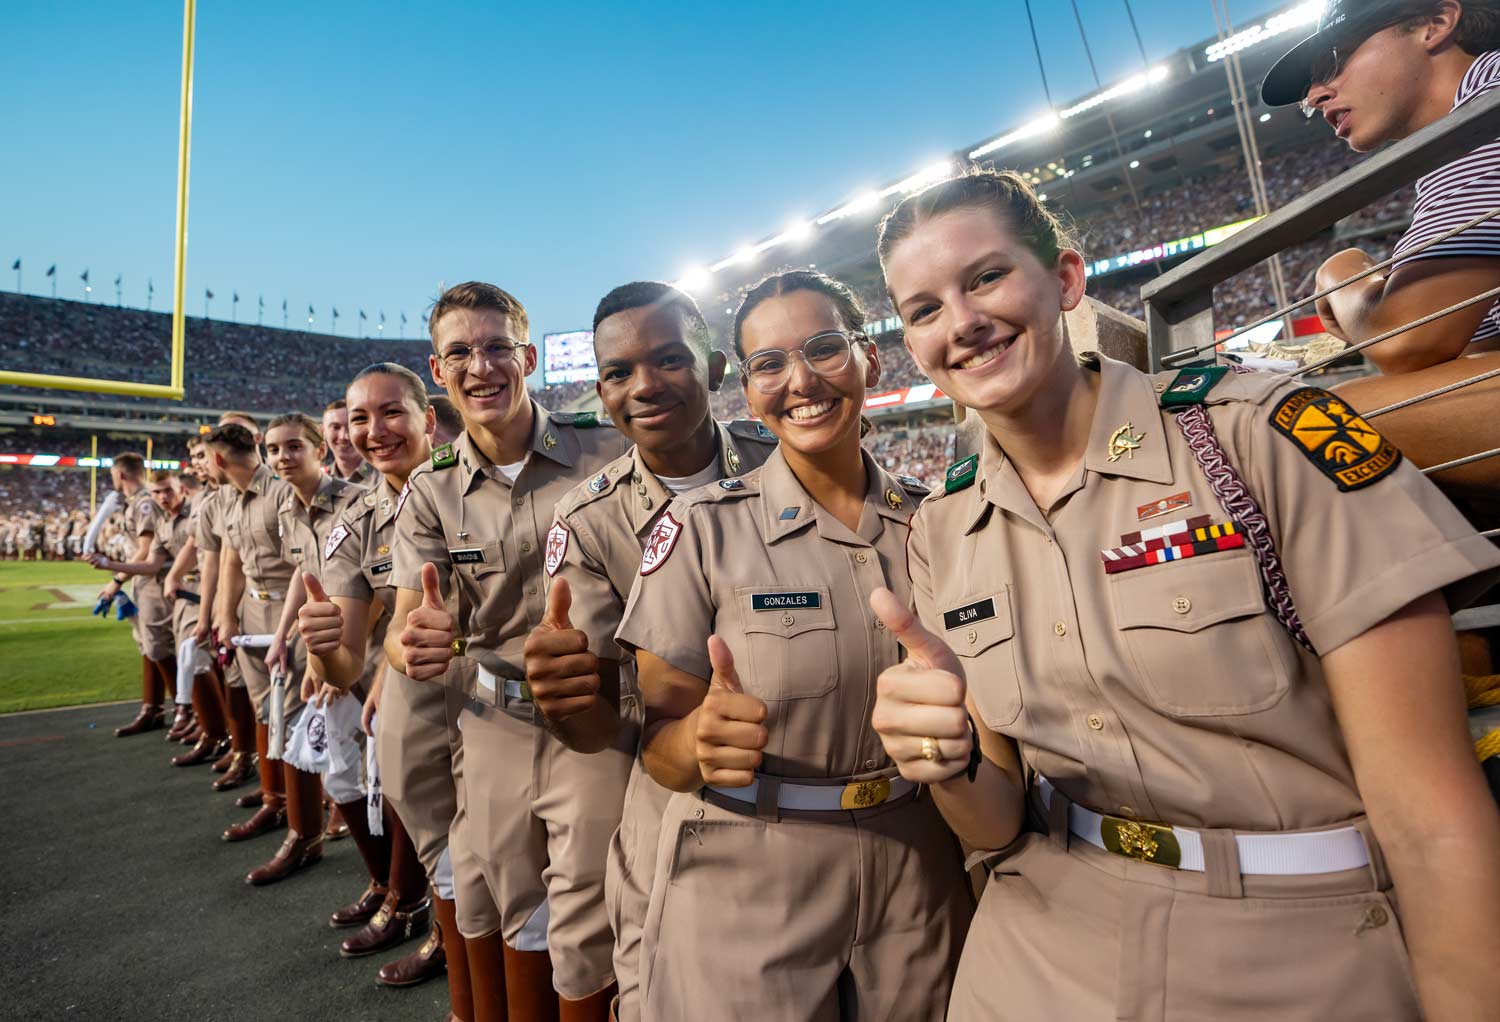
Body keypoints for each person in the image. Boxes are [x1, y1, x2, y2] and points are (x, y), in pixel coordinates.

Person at [870, 167, 1500, 1019]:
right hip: (1042, 948)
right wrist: (945, 762)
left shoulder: (1256, 435)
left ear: (1063, 279)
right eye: (925, 309)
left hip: (1303, 947)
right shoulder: (940, 527)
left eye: (985, 276)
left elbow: (1433, 817)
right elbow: (994, 822)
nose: (964, 322)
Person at [615, 270, 972, 1020]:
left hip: (920, 862)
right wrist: (699, 741)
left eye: (823, 348)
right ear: (747, 391)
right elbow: (657, 743)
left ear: (870, 358)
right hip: (749, 868)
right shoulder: (700, 530)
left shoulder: (939, 523)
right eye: (770, 364)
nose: (800, 380)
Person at [522, 280, 777, 1022]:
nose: (645, 386)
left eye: (669, 359)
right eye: (618, 372)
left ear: (718, 369)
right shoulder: (588, 519)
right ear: (600, 391)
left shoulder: (784, 461)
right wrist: (565, 701)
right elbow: (597, 727)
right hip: (680, 785)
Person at [387, 281, 630, 1021]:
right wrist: (412, 643)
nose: (480, 366)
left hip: (600, 716)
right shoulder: (429, 492)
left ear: (527, 356)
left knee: (594, 901)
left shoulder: (607, 449)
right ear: (438, 371)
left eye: (496, 347)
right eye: (460, 351)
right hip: (493, 720)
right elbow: (404, 625)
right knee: (516, 903)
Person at [1263, 0, 1500, 499]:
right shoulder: (1461, 126)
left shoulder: (1489, 100)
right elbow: (1465, 354)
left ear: (1435, 25)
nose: (1314, 95)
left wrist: (1341, 272)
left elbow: (1408, 340)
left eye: (1334, 60)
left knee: (1314, 424)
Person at [300, 363, 481, 1014]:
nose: (374, 432)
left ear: (428, 418)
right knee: (455, 870)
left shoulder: (485, 484)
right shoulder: (354, 523)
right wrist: (323, 650)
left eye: (391, 413)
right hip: (428, 713)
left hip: (512, 708)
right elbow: (346, 664)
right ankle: (443, 947)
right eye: (359, 419)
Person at [206, 421, 326, 884]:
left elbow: (303, 564)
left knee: (292, 716)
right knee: (264, 711)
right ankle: (276, 802)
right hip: (253, 609)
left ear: (217, 458)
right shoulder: (233, 499)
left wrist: (286, 626)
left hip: (289, 608)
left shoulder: (279, 493)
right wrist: (225, 617)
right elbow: (232, 560)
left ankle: (306, 829)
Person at [182, 413, 264, 794]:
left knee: (286, 704)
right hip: (243, 609)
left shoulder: (275, 491)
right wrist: (220, 616)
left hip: (276, 611)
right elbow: (223, 558)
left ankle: (302, 799)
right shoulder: (221, 498)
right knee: (255, 698)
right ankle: (265, 779)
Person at [89, 452, 178, 738]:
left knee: (160, 647)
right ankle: (152, 709)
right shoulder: (135, 502)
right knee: (148, 646)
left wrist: (116, 580)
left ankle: (185, 711)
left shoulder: (144, 503)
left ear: (121, 474)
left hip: (154, 579)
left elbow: (145, 550)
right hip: (142, 578)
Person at [323, 398, 377, 485]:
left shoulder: (386, 476)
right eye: (335, 427)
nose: (344, 436)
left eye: (350, 427)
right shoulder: (319, 481)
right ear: (323, 432)